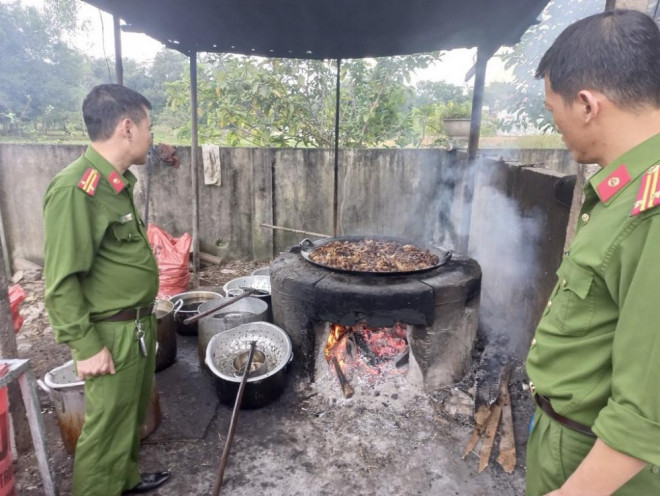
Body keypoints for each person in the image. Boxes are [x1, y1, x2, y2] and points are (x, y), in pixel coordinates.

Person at [525, 9, 660, 496]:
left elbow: (647, 412)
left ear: (586, 104)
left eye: (551, 109)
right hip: (565, 435)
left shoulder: (652, 213)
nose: (554, 124)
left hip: (595, 465)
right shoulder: (624, 189)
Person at [43, 84, 171, 495]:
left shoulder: (115, 184)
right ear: (127, 128)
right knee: (104, 429)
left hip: (134, 325)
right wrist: (85, 345)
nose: (152, 137)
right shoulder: (77, 189)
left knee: (128, 414)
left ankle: (125, 479)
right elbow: (61, 281)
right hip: (110, 334)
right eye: (149, 127)